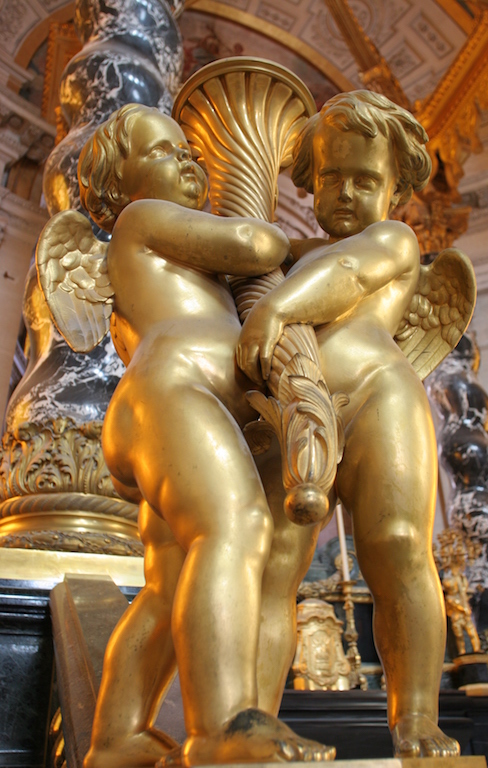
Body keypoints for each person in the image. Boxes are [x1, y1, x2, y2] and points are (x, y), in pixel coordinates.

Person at [46, 103, 335, 767]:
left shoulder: (185, 259)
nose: (186, 159)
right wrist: (277, 238)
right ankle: (221, 727)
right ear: (118, 184)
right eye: (162, 150)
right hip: (175, 389)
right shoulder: (140, 220)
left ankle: (116, 736)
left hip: (173, 404)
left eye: (187, 150)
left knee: (170, 582)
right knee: (235, 527)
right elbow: (256, 246)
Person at [237, 90, 461, 758]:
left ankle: (416, 716)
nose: (346, 192)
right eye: (331, 176)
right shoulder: (285, 254)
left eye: (366, 180)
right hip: (292, 404)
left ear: (396, 189)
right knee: (270, 566)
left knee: (398, 547)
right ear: (309, 181)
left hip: (378, 398)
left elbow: (348, 271)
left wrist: (277, 309)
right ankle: (253, 719)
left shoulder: (393, 238)